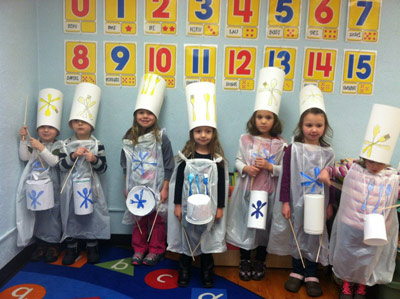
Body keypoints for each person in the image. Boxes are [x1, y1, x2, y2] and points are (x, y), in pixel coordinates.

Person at [319, 104, 400, 299]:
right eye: (371, 161)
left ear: (386, 161)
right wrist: (325, 173)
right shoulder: (352, 168)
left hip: (376, 229)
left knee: (367, 258)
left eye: (379, 163)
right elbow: (332, 171)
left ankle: (361, 287)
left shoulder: (392, 177)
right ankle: (347, 285)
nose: (374, 166)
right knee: (349, 257)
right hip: (351, 225)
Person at [267, 85, 335, 297]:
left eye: (318, 125)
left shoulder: (328, 153)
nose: (313, 129)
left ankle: (312, 273)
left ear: (324, 127)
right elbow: (286, 177)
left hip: (319, 202)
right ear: (301, 126)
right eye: (309, 125)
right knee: (297, 233)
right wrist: (285, 201)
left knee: (315, 235)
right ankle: (297, 271)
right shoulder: (292, 150)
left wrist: (330, 204)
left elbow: (330, 179)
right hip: (297, 201)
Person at [226, 67, 287, 281]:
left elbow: (284, 172)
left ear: (274, 120)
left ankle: (260, 261)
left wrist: (271, 168)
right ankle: (244, 260)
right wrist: (246, 168)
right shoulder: (245, 139)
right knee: (246, 226)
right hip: (247, 191)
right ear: (254, 118)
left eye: (268, 117)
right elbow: (237, 161)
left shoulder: (280, 145)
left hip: (268, 194)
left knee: (263, 229)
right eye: (260, 117)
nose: (263, 121)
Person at [167, 82, 228, 288]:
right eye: (199, 131)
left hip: (210, 208)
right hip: (186, 207)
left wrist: (220, 207)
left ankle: (206, 272)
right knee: (186, 239)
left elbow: (220, 186)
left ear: (213, 134)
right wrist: (177, 205)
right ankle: (183, 270)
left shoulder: (217, 159)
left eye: (208, 131)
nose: (203, 135)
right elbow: (178, 183)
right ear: (192, 133)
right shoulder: (186, 158)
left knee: (207, 240)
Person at [121, 73, 174, 266]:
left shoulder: (161, 138)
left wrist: (165, 186)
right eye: (141, 112)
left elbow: (169, 163)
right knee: (139, 218)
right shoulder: (129, 137)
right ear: (135, 115)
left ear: (156, 116)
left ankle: (156, 249)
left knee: (157, 220)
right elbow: (124, 163)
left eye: (149, 113)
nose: (145, 116)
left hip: (157, 185)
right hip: (136, 186)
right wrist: (126, 184)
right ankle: (139, 249)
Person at [58, 83, 110, 265]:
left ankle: (92, 245)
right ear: (71, 124)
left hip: (91, 187)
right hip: (70, 187)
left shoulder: (97, 145)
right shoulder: (64, 145)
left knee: (91, 214)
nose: (80, 124)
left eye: (85, 121)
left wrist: (94, 159)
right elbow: (61, 166)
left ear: (92, 125)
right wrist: (73, 156)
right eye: (77, 121)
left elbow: (103, 168)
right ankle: (71, 247)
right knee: (70, 213)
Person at [16, 88, 64, 263]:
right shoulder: (34, 143)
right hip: (35, 187)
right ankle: (41, 243)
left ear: (57, 131)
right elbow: (24, 157)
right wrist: (23, 140)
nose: (46, 130)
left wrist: (41, 148)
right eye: (42, 127)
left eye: (50, 127)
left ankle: (53, 243)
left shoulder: (59, 145)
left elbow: (54, 162)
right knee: (38, 214)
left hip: (52, 186)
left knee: (52, 214)